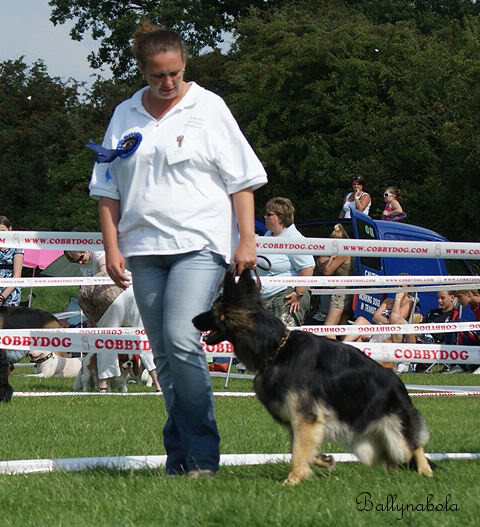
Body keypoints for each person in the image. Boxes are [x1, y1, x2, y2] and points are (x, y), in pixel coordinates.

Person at [88, 21, 267, 478]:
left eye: (174, 73)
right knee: (163, 353)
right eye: (156, 76)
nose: (167, 83)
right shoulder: (125, 114)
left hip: (199, 243)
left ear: (184, 65)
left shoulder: (209, 108)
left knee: (183, 338)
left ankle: (202, 455)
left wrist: (246, 239)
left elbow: (242, 180)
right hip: (143, 247)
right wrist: (112, 248)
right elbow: (106, 190)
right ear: (142, 71)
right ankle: (180, 457)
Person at [78, 272, 161, 391]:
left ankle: (103, 387)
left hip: (106, 298)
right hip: (132, 291)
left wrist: (93, 320)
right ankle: (159, 385)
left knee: (106, 341)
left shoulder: (85, 293)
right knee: (143, 339)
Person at [257, 197, 314, 326]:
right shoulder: (268, 235)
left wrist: (298, 294)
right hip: (266, 299)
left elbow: (308, 268)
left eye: (269, 214)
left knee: (284, 341)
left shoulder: (294, 238)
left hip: (285, 298)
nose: (265, 217)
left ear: (281, 217)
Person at [318, 224, 354, 338]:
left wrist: (326, 259)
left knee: (329, 327)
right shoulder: (349, 250)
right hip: (347, 290)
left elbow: (327, 271)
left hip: (340, 292)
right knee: (342, 325)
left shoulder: (342, 253)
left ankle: (331, 354)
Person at [0, 216, 25, 367]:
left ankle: (8, 363)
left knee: (7, 327)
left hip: (11, 293)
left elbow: (17, 275)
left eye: (2, 230)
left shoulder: (17, 246)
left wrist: (2, 296)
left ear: (10, 230)